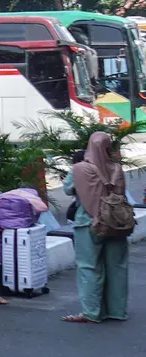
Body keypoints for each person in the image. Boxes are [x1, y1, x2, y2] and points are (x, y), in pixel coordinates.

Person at [63, 132, 130, 324]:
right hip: (116, 223)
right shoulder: (117, 168)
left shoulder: (79, 169)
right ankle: (117, 311)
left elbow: (68, 189)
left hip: (88, 223)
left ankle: (91, 312)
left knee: (89, 267)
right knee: (117, 267)